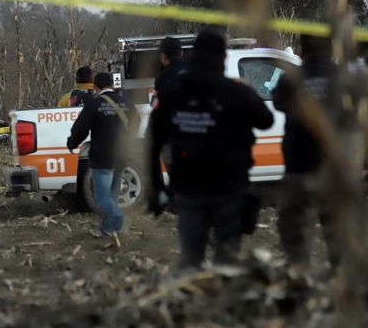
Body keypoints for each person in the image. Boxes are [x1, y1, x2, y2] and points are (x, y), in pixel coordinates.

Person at [148, 28, 274, 269]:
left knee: (191, 259)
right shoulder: (237, 92)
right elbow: (266, 120)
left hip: (190, 189)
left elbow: (154, 139)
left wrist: (156, 189)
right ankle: (223, 299)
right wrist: (244, 90)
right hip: (229, 189)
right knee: (227, 262)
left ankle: (194, 298)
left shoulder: (174, 92)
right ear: (224, 58)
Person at [272, 35, 347, 269]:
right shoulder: (342, 77)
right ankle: (341, 277)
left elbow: (277, 102)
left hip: (298, 166)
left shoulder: (292, 78)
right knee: (337, 230)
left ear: (302, 50)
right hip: (332, 167)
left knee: (293, 230)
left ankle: (299, 277)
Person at [67, 72, 128, 235]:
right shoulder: (126, 102)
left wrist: (72, 143)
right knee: (112, 197)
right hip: (122, 156)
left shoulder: (94, 104)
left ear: (95, 87)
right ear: (113, 85)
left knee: (102, 197)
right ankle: (109, 230)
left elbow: (81, 128)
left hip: (103, 157)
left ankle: (118, 217)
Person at [152, 36, 185, 108]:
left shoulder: (162, 78)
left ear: (163, 56)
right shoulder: (196, 72)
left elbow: (155, 104)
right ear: (181, 53)